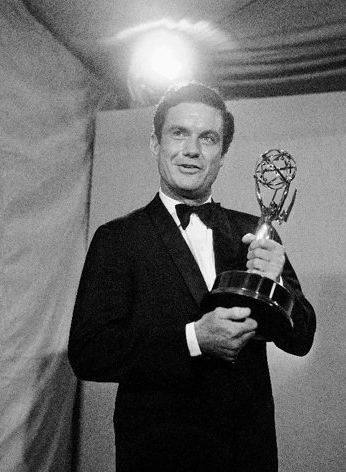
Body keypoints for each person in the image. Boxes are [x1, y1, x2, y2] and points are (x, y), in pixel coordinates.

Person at [68, 81, 316, 471]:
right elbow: (89, 352)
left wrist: (278, 284)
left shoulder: (255, 233)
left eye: (208, 138)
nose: (192, 150)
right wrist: (194, 339)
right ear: (156, 144)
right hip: (159, 457)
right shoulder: (117, 238)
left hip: (248, 456)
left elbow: (301, 338)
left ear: (223, 153)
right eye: (179, 133)